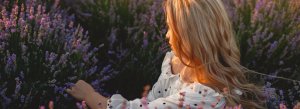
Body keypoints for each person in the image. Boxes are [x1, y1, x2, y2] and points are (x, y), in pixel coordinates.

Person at [66, 0, 266, 108]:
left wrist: (92, 97)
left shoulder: (202, 97)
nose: (167, 35)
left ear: (190, 39)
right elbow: (151, 101)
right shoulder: (176, 65)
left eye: (171, 28)